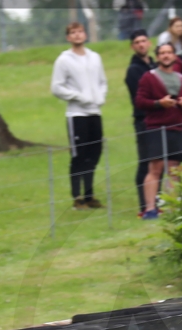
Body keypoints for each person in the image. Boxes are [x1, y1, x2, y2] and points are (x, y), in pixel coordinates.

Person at [135, 42, 182, 219]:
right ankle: (150, 209)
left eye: (169, 52)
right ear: (157, 57)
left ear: (175, 56)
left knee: (174, 170)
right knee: (155, 168)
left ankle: (172, 208)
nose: (166, 56)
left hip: (177, 126)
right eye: (162, 53)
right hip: (156, 127)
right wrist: (159, 103)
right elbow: (140, 102)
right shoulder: (148, 77)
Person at [51, 22, 108, 210]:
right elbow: (57, 87)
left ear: (85, 34)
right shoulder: (64, 60)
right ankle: (77, 197)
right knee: (79, 155)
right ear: (68, 37)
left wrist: (99, 97)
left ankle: (90, 194)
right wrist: (78, 97)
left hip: (94, 112)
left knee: (94, 153)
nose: (77, 35)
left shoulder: (95, 58)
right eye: (73, 33)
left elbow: (102, 82)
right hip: (77, 114)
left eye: (80, 32)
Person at [126, 29, 157, 214]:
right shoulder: (133, 70)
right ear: (133, 46)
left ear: (149, 43)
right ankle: (144, 205)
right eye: (137, 42)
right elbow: (142, 95)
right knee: (145, 162)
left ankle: (156, 201)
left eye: (144, 41)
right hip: (144, 120)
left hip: (159, 119)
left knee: (159, 163)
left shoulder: (154, 64)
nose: (141, 44)